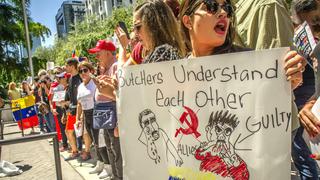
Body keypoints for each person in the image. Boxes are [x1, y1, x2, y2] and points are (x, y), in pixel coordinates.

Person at [89, 40, 121, 179]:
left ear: (108, 53)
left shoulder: (115, 66)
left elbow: (119, 93)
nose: (96, 57)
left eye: (98, 54)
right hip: (106, 111)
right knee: (110, 148)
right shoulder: (107, 67)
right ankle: (115, 175)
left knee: (116, 149)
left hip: (113, 110)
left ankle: (119, 176)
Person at [75, 61, 96, 162]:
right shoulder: (80, 87)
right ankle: (100, 162)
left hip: (95, 113)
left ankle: (105, 164)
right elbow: (79, 104)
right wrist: (77, 119)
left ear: (91, 70)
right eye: (80, 71)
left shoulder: (95, 83)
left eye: (85, 70)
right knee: (87, 136)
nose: (82, 73)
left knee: (98, 140)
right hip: (85, 114)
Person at [64, 58, 83, 161]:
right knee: (68, 131)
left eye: (67, 66)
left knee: (83, 133)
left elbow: (80, 98)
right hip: (72, 111)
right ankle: (75, 151)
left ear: (72, 66)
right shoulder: (70, 78)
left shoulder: (80, 78)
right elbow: (71, 98)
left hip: (79, 110)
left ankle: (78, 151)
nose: (65, 68)